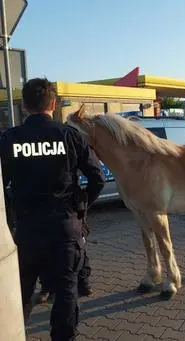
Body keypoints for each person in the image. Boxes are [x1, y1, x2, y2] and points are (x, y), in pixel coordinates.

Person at [0, 78, 105, 341]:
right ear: (54, 104)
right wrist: (81, 206)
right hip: (64, 228)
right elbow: (98, 178)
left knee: (20, 292)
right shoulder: (71, 137)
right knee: (66, 290)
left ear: (24, 106)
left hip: (26, 231)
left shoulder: (9, 140)